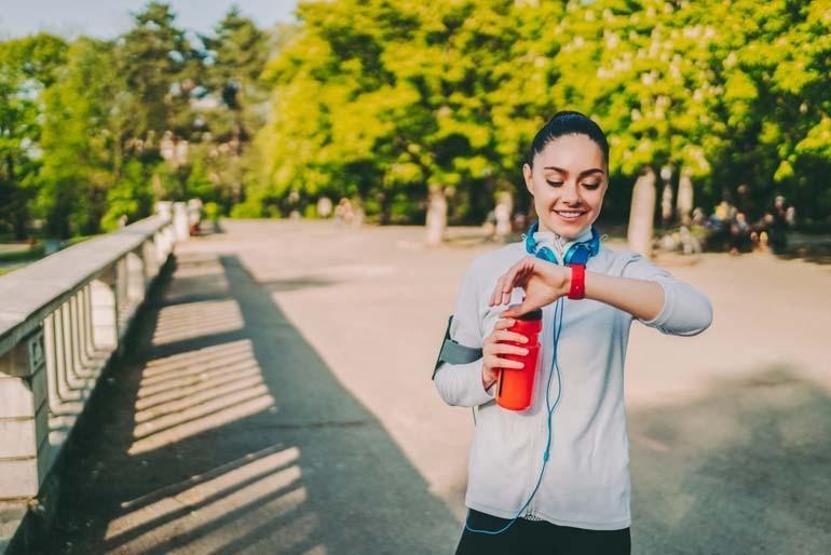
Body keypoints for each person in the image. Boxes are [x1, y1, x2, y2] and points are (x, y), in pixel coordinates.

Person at [433, 111, 712, 555]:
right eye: (555, 179)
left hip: (592, 515)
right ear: (529, 178)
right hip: (495, 508)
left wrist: (575, 283)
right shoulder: (487, 270)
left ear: (605, 185)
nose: (572, 196)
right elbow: (447, 381)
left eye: (590, 181)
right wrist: (484, 371)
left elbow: (697, 314)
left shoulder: (621, 270)